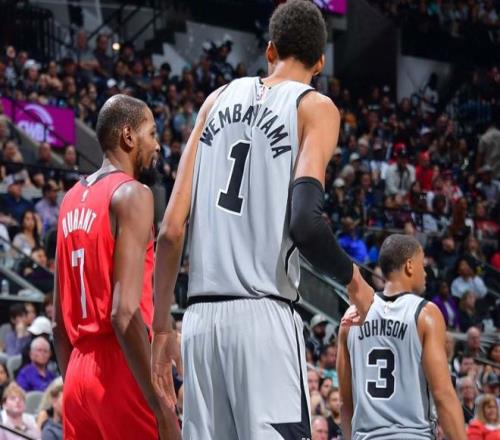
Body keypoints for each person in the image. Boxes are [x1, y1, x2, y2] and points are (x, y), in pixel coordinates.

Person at [151, 1, 374, 438]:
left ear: (270, 51)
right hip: (263, 317)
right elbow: (306, 224)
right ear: (320, 62)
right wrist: (358, 286)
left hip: (199, 322)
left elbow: (171, 230)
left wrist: (161, 327)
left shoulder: (214, 101)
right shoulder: (315, 107)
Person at [53, 94, 179, 439]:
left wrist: (78, 386)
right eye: (151, 133)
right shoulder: (132, 194)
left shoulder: (69, 200)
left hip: (77, 371)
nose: (157, 145)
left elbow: (58, 325)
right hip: (122, 365)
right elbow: (123, 313)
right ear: (128, 136)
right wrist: (158, 403)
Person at [337, 234, 466, 439]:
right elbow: (443, 394)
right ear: (409, 266)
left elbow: (345, 403)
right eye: (422, 265)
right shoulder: (425, 313)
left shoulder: (352, 316)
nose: (425, 273)